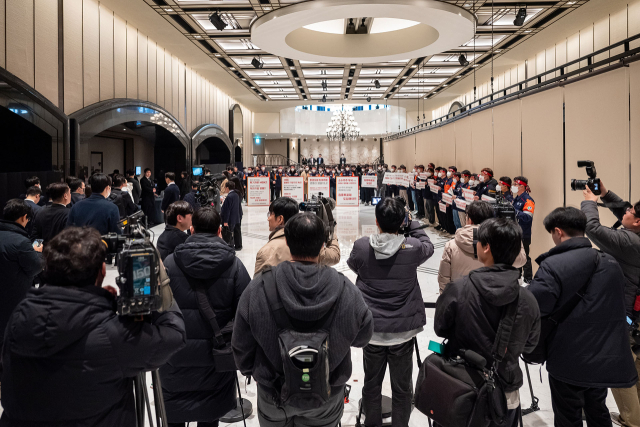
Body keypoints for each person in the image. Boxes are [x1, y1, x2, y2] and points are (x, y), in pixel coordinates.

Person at [0, 227, 186, 426]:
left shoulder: (20, 316)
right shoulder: (113, 336)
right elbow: (175, 334)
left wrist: (103, 302)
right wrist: (160, 279)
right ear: (102, 271)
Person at [232, 213, 374, 427]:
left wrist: (253, 371)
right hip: (326, 395)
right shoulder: (346, 289)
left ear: (287, 241)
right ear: (322, 246)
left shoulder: (259, 287)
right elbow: (363, 336)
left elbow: (240, 344)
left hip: (273, 394)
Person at [527, 207, 637, 427]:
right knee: (598, 410)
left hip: (567, 358)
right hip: (603, 357)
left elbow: (535, 309)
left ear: (557, 231)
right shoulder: (610, 263)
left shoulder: (552, 266)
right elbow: (619, 308)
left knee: (568, 415)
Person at [435, 218, 541, 427]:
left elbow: (440, 328)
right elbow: (530, 345)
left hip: (460, 383)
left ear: (486, 248)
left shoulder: (459, 289)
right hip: (504, 391)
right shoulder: (528, 300)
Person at [347, 197, 434, 427]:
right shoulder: (413, 248)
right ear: (403, 220)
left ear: (376, 221)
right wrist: (412, 223)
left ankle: (372, 423)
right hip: (402, 333)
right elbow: (428, 244)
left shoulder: (362, 246)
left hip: (372, 330)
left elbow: (353, 265)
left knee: (371, 384)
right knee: (402, 388)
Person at [161, 207, 251, 427]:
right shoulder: (235, 265)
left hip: (175, 356)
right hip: (217, 358)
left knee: (175, 414)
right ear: (220, 231)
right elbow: (246, 313)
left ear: (191, 230)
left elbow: (157, 309)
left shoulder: (170, 263)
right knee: (210, 417)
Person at [581, 182, 640, 427]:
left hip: (623, 315)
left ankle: (632, 418)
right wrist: (604, 193)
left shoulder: (630, 244)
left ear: (636, 223)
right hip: (635, 315)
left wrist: (590, 202)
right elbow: (625, 211)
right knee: (636, 362)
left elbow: (592, 227)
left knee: (619, 365)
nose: (625, 210)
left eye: (630, 212)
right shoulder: (635, 236)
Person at [437, 201, 527, 293]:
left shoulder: (451, 245)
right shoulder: (499, 244)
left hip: (460, 299)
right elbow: (521, 261)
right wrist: (512, 228)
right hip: (491, 300)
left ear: (470, 220)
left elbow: (444, 279)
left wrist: (447, 300)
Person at [254, 197, 340, 275]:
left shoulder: (266, 252)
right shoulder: (308, 243)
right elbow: (334, 256)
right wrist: (329, 229)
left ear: (280, 219)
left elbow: (258, 288)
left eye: (270, 214)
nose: (268, 218)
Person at [0, 199, 43, 350]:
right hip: (14, 299)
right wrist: (37, 253)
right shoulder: (21, 242)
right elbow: (36, 268)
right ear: (24, 218)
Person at [512, 176, 535, 282]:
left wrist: (514, 211)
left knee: (525, 256)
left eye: (515, 184)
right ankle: (518, 277)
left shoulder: (528, 200)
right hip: (515, 232)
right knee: (516, 255)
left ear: (522, 186)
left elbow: (527, 217)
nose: (513, 186)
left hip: (524, 233)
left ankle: (528, 279)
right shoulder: (516, 198)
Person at [220, 181, 243, 250]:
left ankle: (230, 246)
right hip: (236, 217)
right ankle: (238, 245)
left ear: (227, 188)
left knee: (228, 233)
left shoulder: (229, 197)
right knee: (237, 232)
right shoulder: (236, 195)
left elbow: (227, 210)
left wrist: (225, 221)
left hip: (230, 219)